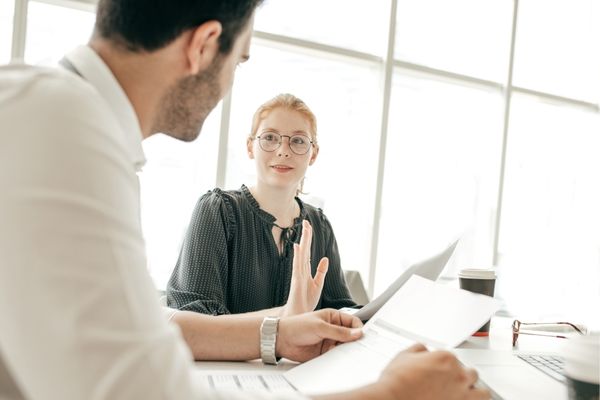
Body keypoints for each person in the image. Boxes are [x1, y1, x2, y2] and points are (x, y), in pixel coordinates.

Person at [0, 0, 489, 399]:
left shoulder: (51, 111)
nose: (231, 79)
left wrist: (279, 332)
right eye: (241, 59)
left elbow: (151, 327)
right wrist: (391, 395)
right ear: (205, 45)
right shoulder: (68, 136)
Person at [167, 93, 356, 318]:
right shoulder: (217, 211)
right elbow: (196, 317)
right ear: (250, 147)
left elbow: (340, 312)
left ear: (313, 154)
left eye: (297, 140)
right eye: (270, 138)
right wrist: (286, 316)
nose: (283, 150)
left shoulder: (320, 226)